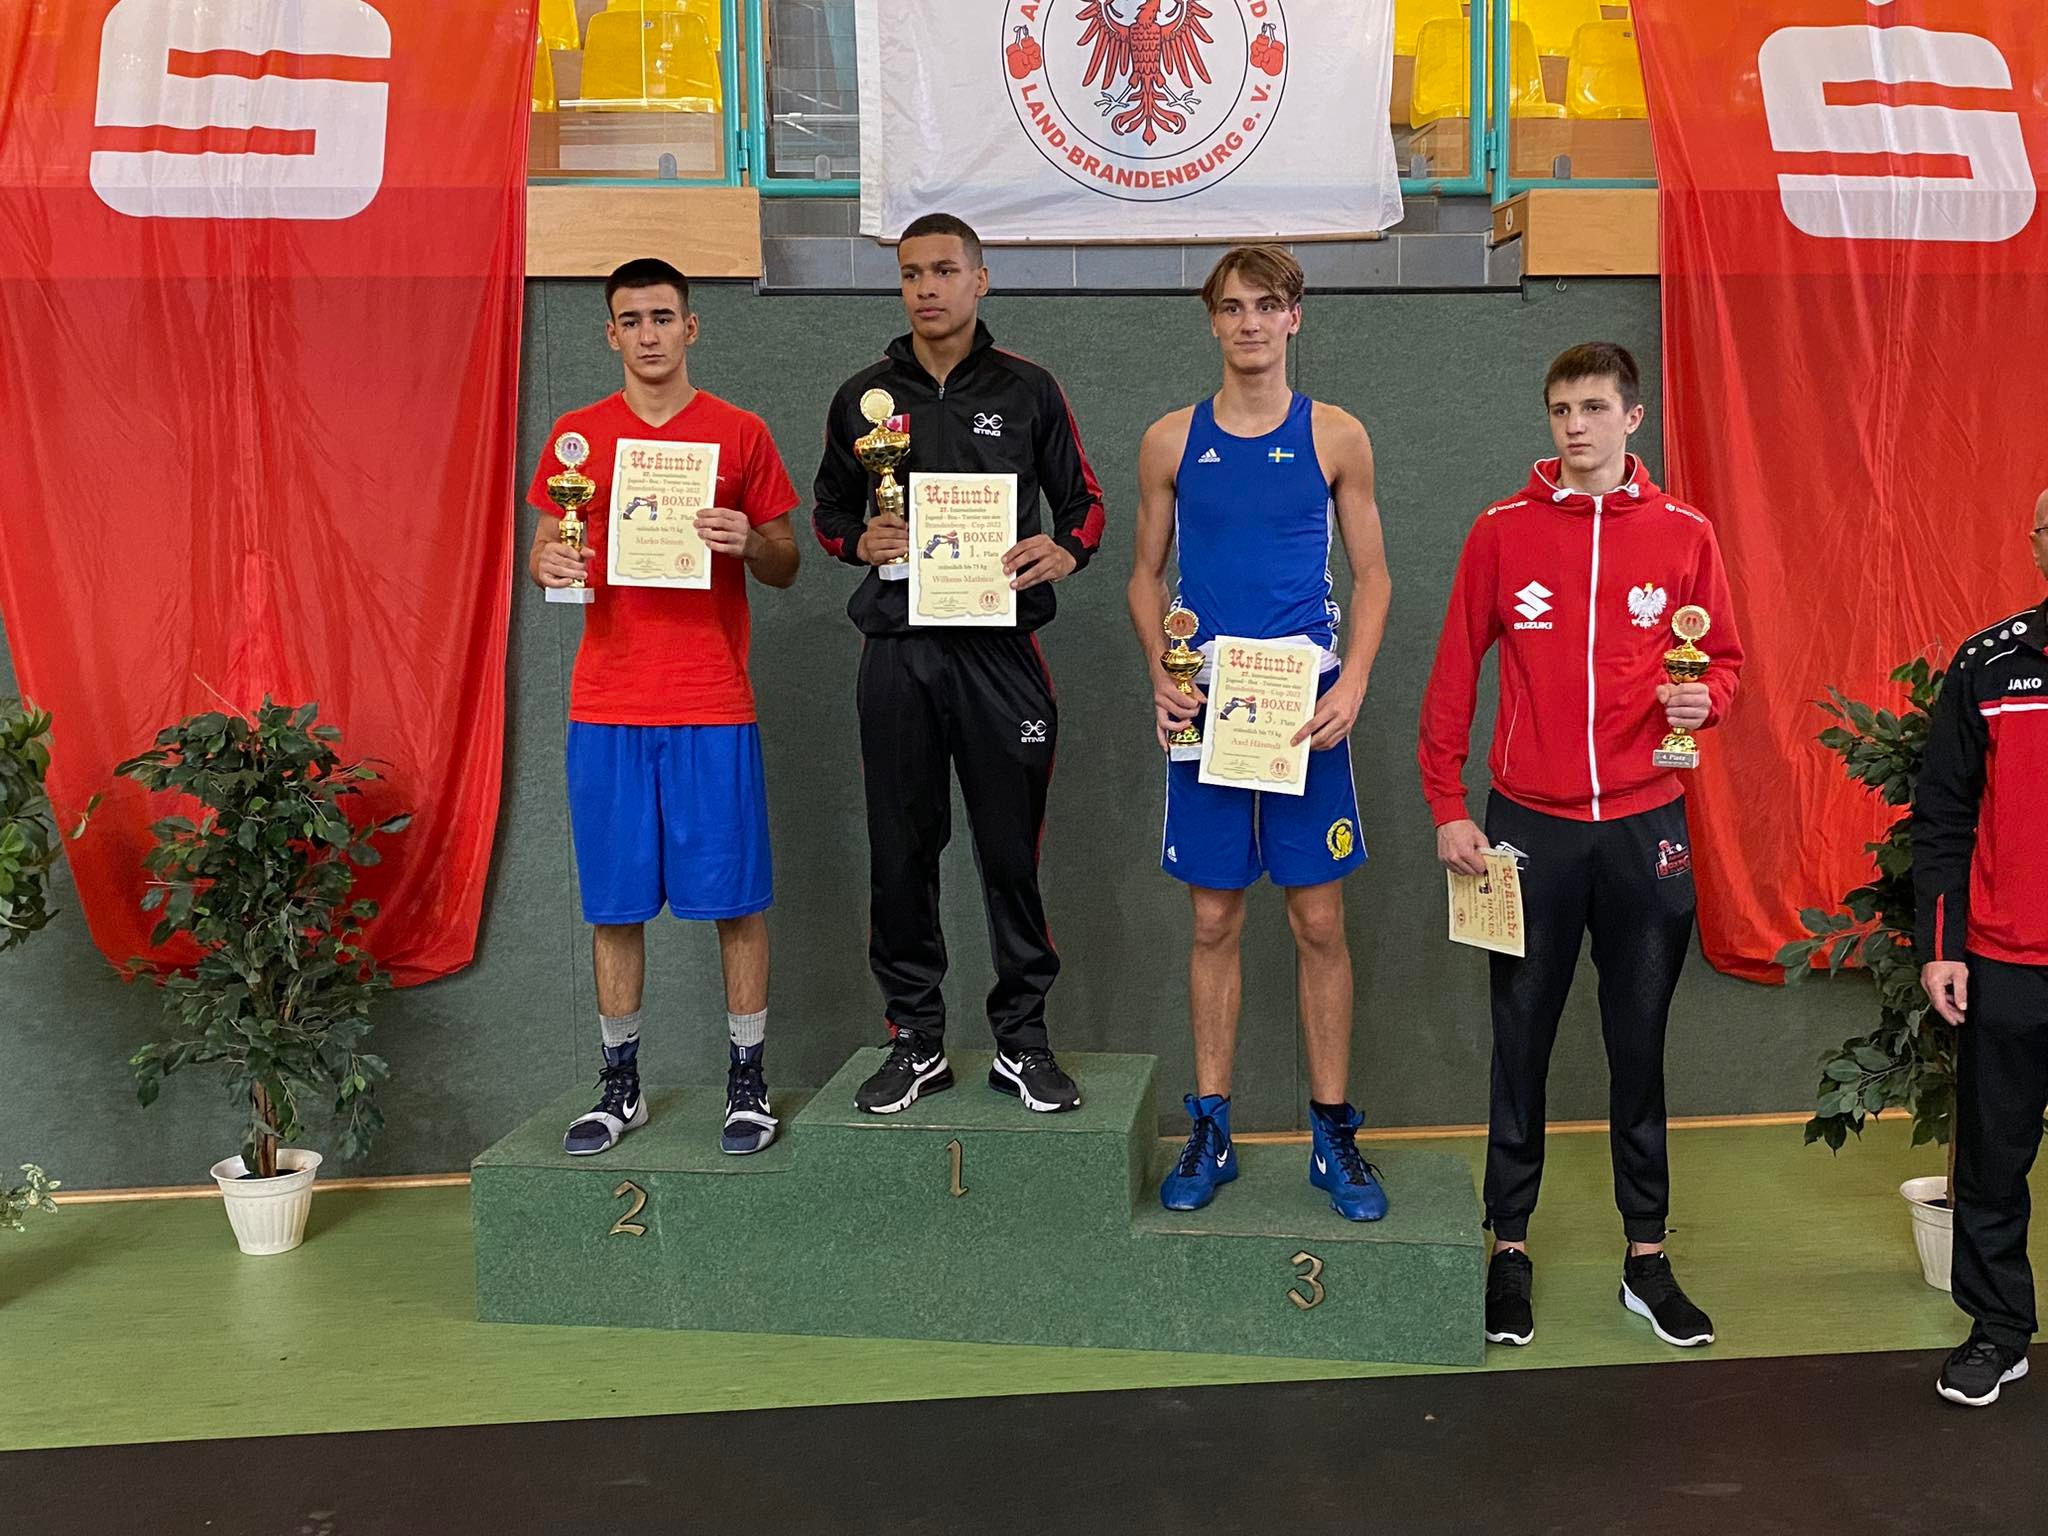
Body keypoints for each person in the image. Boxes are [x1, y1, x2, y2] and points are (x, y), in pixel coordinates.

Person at [1418, 342, 1742, 1348]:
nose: (1575, 426)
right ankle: (1507, 1250)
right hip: (1527, 829)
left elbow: (1723, 663)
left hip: (1646, 826)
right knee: (1518, 1042)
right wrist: (1446, 803)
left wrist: (1705, 699)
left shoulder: (1685, 532)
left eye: (1594, 408)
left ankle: (1646, 1259)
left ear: (1631, 418)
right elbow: (1452, 674)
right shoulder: (1499, 531)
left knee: (1637, 1047)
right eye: (1561, 409)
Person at [812, 212, 1107, 1116]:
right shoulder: (863, 398)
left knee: (1011, 852)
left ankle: (1022, 1039)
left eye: (944, 270)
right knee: (901, 852)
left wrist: (1065, 551)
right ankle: (916, 1039)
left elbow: (1086, 504)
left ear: (981, 279)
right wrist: (859, 541)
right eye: (911, 274)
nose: (926, 288)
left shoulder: (1029, 389)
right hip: (898, 653)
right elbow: (828, 512)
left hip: (1000, 655)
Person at [1125, 245, 1393, 1221]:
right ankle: (1212, 1129)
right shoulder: (1169, 441)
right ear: (1211, 320)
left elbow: (1373, 575)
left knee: (1317, 921)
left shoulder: (1336, 435)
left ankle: (1331, 1133)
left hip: (1304, 703)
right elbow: (1144, 576)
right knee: (1213, 920)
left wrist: (1352, 682)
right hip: (1209, 706)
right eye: (1231, 306)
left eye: (1266, 305)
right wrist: (1161, 674)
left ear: (1293, 318)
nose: (1248, 322)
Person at [529, 258, 800, 1156]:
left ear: (691, 327)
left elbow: (787, 560)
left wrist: (749, 541)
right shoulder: (575, 437)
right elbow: (545, 547)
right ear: (610, 333)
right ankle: (621, 1086)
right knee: (614, 906)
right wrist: (548, 563)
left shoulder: (740, 431)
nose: (648, 334)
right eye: (631, 319)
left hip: (711, 701)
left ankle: (748, 1082)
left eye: (662, 317)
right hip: (607, 703)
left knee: (737, 902)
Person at [1915, 488, 2048, 1408]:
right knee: (1994, 1163)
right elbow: (1943, 814)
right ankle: (1999, 1332)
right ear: (2036, 546)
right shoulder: (1988, 664)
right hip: (2007, 962)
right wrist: (1943, 946)